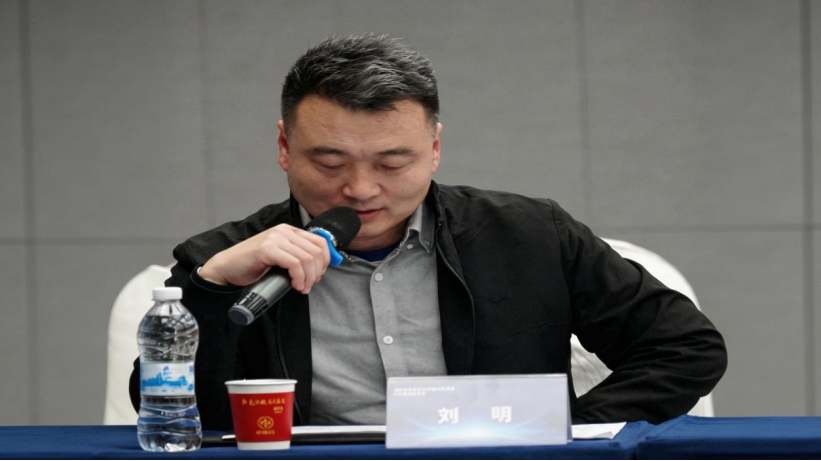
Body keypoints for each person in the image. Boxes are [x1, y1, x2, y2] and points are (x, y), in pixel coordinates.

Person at [129, 34, 727, 430]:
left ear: (435, 149)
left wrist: (565, 433)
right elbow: (170, 413)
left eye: (393, 163)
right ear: (285, 147)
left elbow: (684, 348)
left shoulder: (529, 236)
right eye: (330, 162)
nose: (361, 189)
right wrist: (211, 290)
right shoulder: (221, 258)